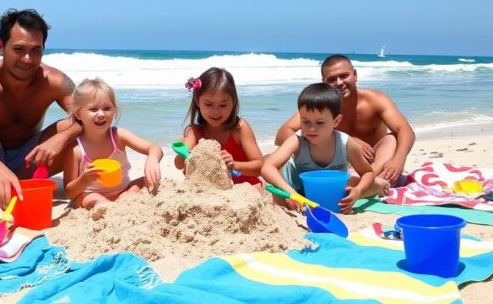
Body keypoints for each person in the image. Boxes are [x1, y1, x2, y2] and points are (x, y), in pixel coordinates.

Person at [0, 9, 81, 211]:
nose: (27, 59)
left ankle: (78, 191)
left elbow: (94, 116)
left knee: (74, 126)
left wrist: (62, 137)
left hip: (29, 163)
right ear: (1, 46)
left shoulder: (54, 81)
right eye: (19, 49)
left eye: (36, 50)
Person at [275, 55, 414, 188]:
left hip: (371, 164)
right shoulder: (321, 108)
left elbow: (405, 130)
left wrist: (399, 159)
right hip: (337, 166)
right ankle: (365, 183)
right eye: (332, 79)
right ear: (324, 82)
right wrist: (346, 140)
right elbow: (281, 135)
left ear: (355, 75)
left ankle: (370, 180)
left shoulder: (376, 100)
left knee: (392, 139)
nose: (339, 83)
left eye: (344, 76)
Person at [262, 83, 376, 213]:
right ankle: (283, 209)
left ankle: (381, 185)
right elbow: (267, 167)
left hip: (331, 191)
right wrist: (292, 193)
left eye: (320, 122)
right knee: (272, 167)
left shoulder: (345, 143)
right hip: (298, 190)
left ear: (336, 121)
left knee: (367, 185)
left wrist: (358, 191)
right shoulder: (298, 140)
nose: (311, 128)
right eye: (305, 121)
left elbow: (368, 172)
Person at [62, 78, 163, 208]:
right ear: (78, 114)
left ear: (114, 110)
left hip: (123, 190)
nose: (101, 114)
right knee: (91, 198)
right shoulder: (75, 149)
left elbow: (154, 148)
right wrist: (84, 179)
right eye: (93, 109)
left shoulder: (119, 135)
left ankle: (122, 200)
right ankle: (107, 206)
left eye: (107, 108)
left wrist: (152, 158)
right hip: (91, 195)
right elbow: (69, 193)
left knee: (146, 181)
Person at [174, 68, 264, 187]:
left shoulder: (239, 128)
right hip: (211, 189)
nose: (215, 111)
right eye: (208, 104)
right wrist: (188, 155)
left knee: (258, 188)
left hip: (245, 186)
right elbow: (178, 164)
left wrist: (235, 165)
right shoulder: (194, 133)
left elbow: (260, 166)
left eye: (223, 105)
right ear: (197, 101)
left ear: (233, 102)